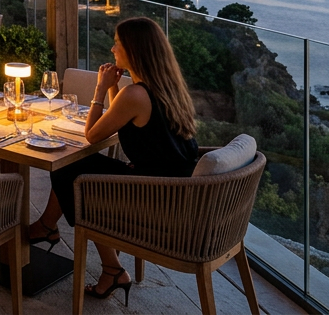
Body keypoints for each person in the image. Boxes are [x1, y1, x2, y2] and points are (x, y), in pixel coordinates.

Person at [28, 17, 200, 303]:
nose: (112, 49)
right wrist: (113, 86)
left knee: (71, 173)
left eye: (117, 44)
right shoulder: (167, 86)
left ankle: (108, 265)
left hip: (154, 196)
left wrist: (100, 88)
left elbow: (93, 135)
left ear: (133, 50)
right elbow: (126, 119)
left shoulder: (135, 94)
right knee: (72, 168)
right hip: (175, 187)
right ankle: (47, 227)